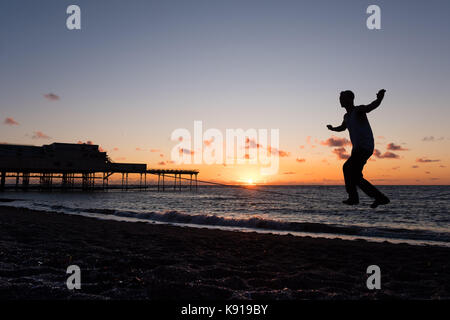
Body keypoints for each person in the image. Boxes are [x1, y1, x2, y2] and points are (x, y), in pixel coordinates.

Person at [327, 90, 390, 208]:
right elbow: (343, 127)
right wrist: (333, 129)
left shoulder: (358, 110)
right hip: (357, 149)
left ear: (350, 99)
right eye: (340, 98)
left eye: (343, 98)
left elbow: (370, 107)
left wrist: (380, 99)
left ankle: (354, 197)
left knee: (347, 168)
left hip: (364, 147)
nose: (340, 100)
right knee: (355, 177)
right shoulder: (346, 116)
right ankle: (379, 197)